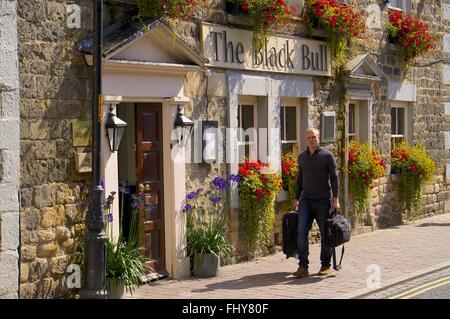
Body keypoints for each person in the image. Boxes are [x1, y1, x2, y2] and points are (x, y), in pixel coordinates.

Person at [293, 128, 340, 277]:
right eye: (308, 138)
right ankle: (303, 266)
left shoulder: (327, 156)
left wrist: (336, 199)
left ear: (319, 138)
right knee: (301, 231)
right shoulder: (302, 157)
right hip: (306, 200)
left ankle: (325, 265)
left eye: (313, 137)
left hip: (323, 201)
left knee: (326, 234)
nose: (311, 140)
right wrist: (296, 198)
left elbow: (334, 178)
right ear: (306, 140)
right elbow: (300, 179)